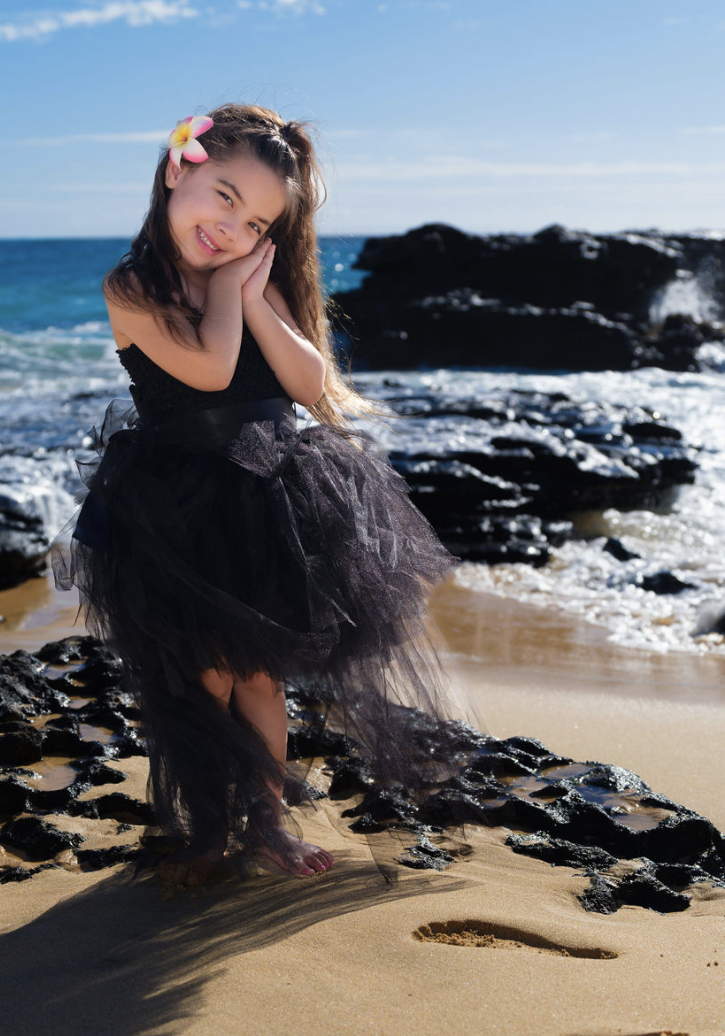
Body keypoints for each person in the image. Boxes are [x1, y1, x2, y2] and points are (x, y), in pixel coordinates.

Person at [51, 103, 457, 880]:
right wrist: (234, 289)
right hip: (181, 507)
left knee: (262, 676)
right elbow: (206, 370)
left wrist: (257, 296)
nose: (230, 227)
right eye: (224, 195)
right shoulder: (133, 284)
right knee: (203, 677)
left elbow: (312, 386)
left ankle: (270, 824)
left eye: (256, 222)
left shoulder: (254, 282)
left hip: (270, 497)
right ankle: (206, 831)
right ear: (180, 169)